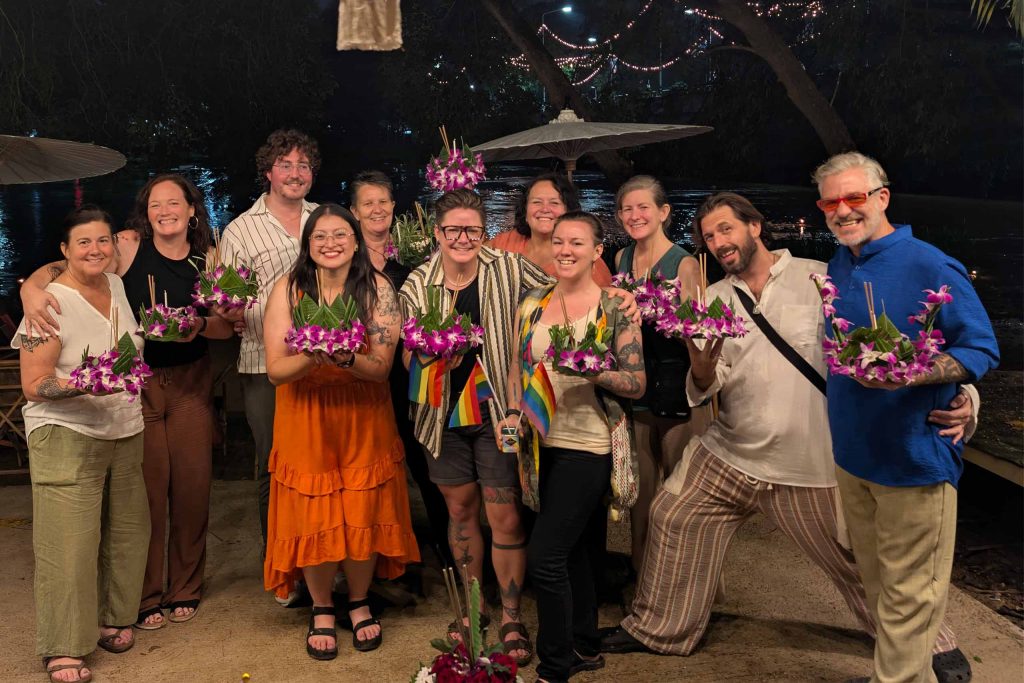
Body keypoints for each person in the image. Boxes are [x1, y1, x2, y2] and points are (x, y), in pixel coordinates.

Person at [599, 192, 979, 683]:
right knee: (675, 516)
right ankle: (658, 629)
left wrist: (963, 391)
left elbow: (892, 342)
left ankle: (931, 643)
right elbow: (703, 388)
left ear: (755, 226)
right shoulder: (713, 299)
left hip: (808, 461)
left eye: (727, 229)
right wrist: (700, 364)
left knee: (854, 563)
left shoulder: (823, 278)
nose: (719, 243)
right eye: (710, 237)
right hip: (731, 451)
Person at [814, 152, 999, 683]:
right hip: (854, 456)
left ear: (882, 198)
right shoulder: (841, 262)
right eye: (831, 201)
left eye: (854, 198)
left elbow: (981, 349)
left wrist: (915, 377)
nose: (843, 210)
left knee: (910, 601)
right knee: (879, 590)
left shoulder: (931, 265)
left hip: (915, 461)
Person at [19, 175, 235, 628]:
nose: (165, 210)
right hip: (139, 386)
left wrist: (199, 327)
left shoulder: (210, 257)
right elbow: (70, 263)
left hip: (193, 382)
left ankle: (185, 587)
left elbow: (224, 328)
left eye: (174, 202)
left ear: (192, 209)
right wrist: (29, 291)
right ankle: (144, 594)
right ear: (146, 211)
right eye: (156, 203)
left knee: (193, 491)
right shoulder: (128, 246)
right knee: (147, 497)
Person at [398, 188, 553, 666]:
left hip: (497, 413)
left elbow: (560, 288)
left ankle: (510, 614)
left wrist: (618, 301)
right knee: (460, 513)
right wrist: (430, 354)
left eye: (472, 229)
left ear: (483, 232)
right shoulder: (416, 286)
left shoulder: (507, 266)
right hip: (441, 416)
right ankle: (472, 609)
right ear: (437, 233)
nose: (463, 238)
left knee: (504, 514)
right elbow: (406, 359)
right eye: (453, 230)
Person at [262, 203, 420, 660]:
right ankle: (322, 607)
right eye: (319, 237)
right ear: (308, 245)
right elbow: (275, 370)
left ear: (355, 241)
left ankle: (359, 600)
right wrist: (315, 353)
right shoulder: (288, 290)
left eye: (339, 235)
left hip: (362, 413)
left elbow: (381, 368)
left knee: (360, 506)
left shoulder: (378, 289)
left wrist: (348, 357)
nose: (330, 244)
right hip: (305, 413)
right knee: (315, 512)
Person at [503, 211, 645, 683]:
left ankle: (555, 665)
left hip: (588, 445)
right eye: (560, 241)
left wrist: (596, 373)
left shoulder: (616, 307)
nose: (565, 250)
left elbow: (637, 383)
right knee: (580, 549)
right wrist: (511, 413)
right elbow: (516, 368)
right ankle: (584, 644)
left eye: (577, 243)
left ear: (596, 251)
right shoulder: (531, 303)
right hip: (538, 445)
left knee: (544, 557)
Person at [15, 206, 149, 683]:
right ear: (64, 252)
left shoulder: (113, 283)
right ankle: (64, 647)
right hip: (67, 432)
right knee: (67, 544)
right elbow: (34, 384)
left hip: (124, 428)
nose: (95, 250)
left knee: (128, 533)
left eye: (103, 241)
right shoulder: (49, 302)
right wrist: (84, 387)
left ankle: (114, 619)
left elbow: (96, 258)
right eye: (83, 243)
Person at [219, 129, 320, 572]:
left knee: (317, 461)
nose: (295, 173)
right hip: (263, 361)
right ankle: (279, 563)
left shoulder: (325, 220)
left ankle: (320, 555)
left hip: (321, 360)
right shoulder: (241, 229)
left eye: (303, 165)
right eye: (286, 165)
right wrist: (228, 310)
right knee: (272, 465)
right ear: (268, 172)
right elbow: (226, 299)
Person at [349, 170, 453, 567]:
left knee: (426, 457)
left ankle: (447, 547)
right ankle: (383, 553)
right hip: (369, 372)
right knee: (376, 463)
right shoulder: (348, 257)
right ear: (354, 211)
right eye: (367, 203)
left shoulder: (414, 251)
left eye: (383, 202)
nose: (376, 209)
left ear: (394, 207)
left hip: (414, 370)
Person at [612, 175, 712, 572]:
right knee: (641, 489)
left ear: (663, 212)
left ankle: (688, 582)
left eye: (643, 207)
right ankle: (643, 580)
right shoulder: (620, 259)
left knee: (682, 491)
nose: (635, 215)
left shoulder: (685, 263)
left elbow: (701, 336)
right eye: (627, 209)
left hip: (676, 388)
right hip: (637, 388)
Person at [490, 172, 614, 287]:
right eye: (536, 202)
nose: (545, 209)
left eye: (554, 203)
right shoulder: (504, 242)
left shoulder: (588, 261)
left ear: (569, 211)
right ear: (525, 211)